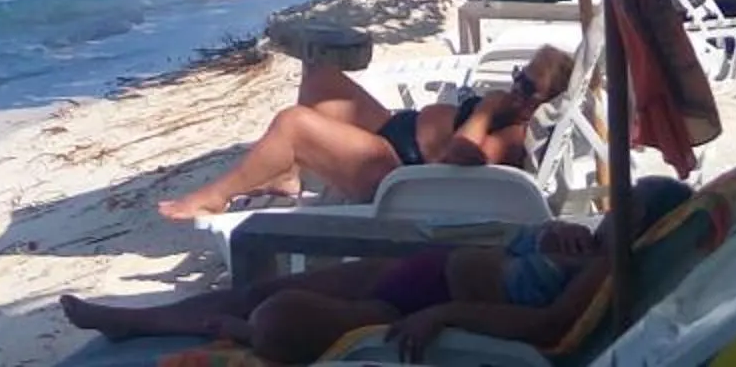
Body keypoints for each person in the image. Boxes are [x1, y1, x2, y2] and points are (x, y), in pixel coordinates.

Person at [68, 177, 688, 363]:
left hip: (413, 304)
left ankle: (236, 334)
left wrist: (444, 314)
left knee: (280, 317)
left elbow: (547, 326)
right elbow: (515, 250)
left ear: (641, 221)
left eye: (625, 204)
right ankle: (134, 321)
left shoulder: (606, 269)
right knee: (263, 288)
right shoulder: (582, 248)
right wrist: (544, 235)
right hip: (419, 274)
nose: (612, 208)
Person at [156, 47, 575, 222]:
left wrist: (485, 109)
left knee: (293, 123)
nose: (515, 88)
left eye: (527, 87)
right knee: (320, 76)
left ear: (546, 101)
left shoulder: (515, 133)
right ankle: (286, 173)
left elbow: (460, 157)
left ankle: (216, 195)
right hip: (396, 131)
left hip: (397, 170)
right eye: (518, 76)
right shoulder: (512, 108)